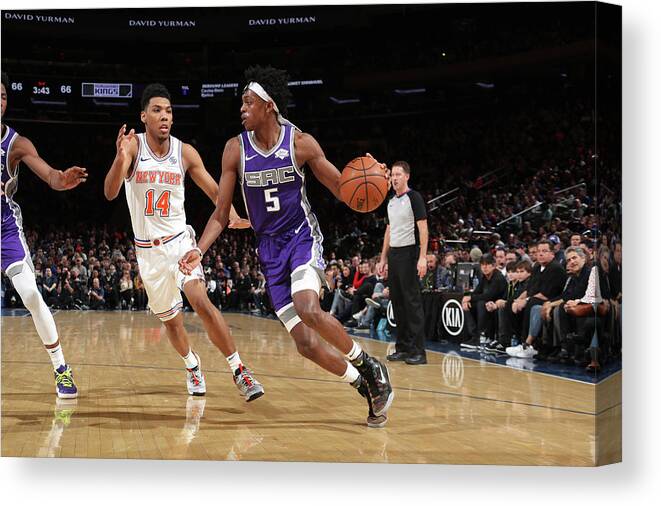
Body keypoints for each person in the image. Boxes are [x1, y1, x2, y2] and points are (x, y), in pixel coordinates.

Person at [179, 65, 393, 427]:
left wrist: (374, 178)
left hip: (300, 237)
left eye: (249, 102)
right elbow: (220, 214)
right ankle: (363, 384)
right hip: (269, 250)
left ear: (269, 105)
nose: (242, 108)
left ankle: (368, 363)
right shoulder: (235, 150)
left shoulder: (300, 143)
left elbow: (344, 189)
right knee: (306, 345)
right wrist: (200, 249)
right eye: (242, 103)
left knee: (307, 306)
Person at [104, 83, 264, 401]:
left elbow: (215, 190)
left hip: (180, 242)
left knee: (200, 300)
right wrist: (119, 159)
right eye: (157, 110)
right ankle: (192, 365)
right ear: (144, 116)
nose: (164, 116)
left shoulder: (184, 152)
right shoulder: (132, 147)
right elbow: (110, 192)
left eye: (169, 111)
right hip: (148, 253)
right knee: (173, 324)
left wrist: (231, 215)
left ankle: (240, 371)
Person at [1, 72, 84, 398]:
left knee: (31, 295)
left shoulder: (16, 144)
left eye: (4, 95)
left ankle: (61, 368)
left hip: (5, 228)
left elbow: (49, 175)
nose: (0, 101)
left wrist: (61, 178)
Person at [375, 160, 429, 365]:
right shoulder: (390, 201)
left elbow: (423, 228)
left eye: (398, 174)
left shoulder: (414, 198)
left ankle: (418, 351)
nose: (394, 178)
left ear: (407, 176)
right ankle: (403, 347)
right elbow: (389, 231)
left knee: (412, 302)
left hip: (409, 253)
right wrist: (382, 258)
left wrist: (423, 257)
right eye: (392, 175)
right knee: (397, 302)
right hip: (395, 255)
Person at [459, 254, 507, 350]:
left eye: (487, 264)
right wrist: (468, 299)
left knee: (481, 303)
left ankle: (482, 336)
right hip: (488, 304)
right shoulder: (484, 277)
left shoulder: (498, 278)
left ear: (493, 265)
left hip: (498, 305)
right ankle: (474, 336)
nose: (484, 267)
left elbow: (489, 295)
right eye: (482, 265)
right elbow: (477, 292)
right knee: (467, 304)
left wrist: (471, 298)